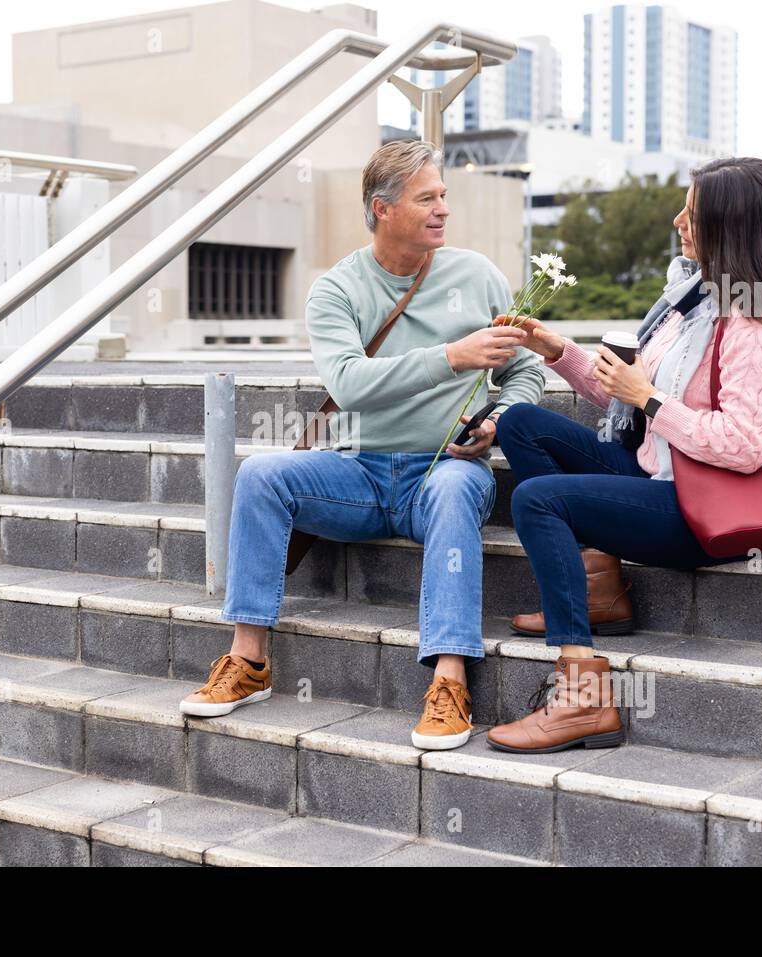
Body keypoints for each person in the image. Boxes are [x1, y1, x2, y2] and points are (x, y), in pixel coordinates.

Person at [179, 139, 545, 750]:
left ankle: (450, 680)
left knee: (457, 486)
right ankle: (248, 661)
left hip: (443, 471)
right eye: (427, 198)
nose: (442, 209)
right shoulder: (337, 290)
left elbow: (524, 370)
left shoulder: (478, 276)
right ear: (383, 208)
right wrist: (451, 357)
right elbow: (348, 384)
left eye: (443, 196)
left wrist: (501, 418)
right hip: (362, 474)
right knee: (262, 475)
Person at [487, 156, 762, 754]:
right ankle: (598, 592)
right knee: (525, 425)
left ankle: (582, 695)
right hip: (654, 472)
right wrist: (558, 350)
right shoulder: (689, 303)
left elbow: (745, 446)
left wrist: (652, 398)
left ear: (730, 226)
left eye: (693, 211)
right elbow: (628, 394)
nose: (678, 220)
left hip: (699, 510)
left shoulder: (752, 328)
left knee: (538, 500)